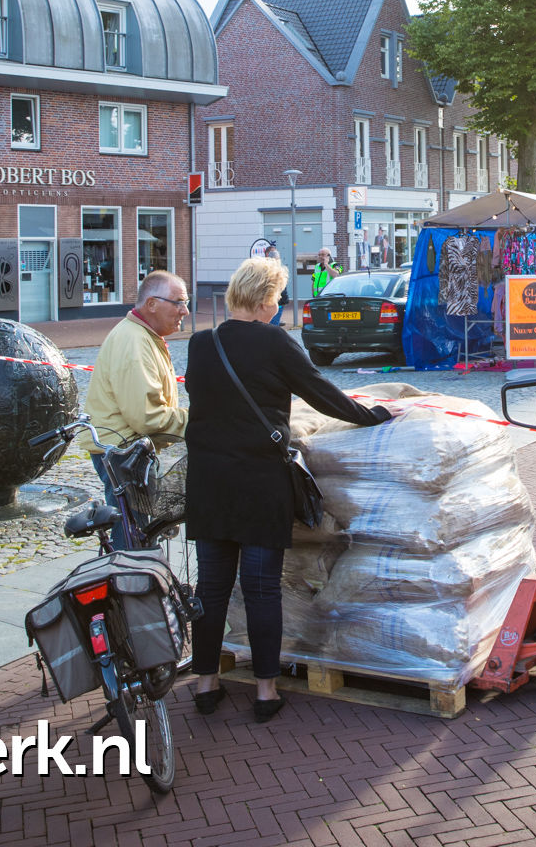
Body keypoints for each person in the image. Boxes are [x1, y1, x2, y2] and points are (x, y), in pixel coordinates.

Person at [183, 257, 394, 722]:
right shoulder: (275, 342)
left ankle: (205, 684)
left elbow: (202, 401)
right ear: (262, 301)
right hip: (259, 481)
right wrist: (373, 415)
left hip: (208, 482)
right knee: (261, 589)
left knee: (211, 588)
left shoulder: (201, 344)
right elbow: (320, 391)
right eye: (277, 298)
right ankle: (264, 691)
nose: (279, 307)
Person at [81, 270, 189, 473]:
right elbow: (148, 417)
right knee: (133, 507)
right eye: (178, 302)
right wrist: (198, 420)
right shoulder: (135, 341)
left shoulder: (142, 335)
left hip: (126, 448)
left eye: (186, 302)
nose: (185, 311)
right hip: (124, 450)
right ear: (151, 304)